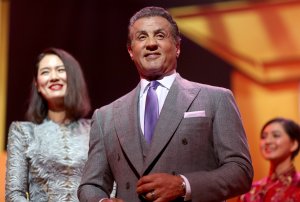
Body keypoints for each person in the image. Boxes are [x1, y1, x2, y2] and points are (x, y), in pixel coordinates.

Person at [78, 6, 253, 202]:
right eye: (142, 37)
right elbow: (91, 184)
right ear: (130, 51)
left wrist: (183, 185)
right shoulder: (105, 116)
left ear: (177, 47)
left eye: (160, 36)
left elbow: (240, 171)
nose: (151, 43)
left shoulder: (216, 99)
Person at [5, 47, 91, 201]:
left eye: (60, 70)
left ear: (73, 77)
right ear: (37, 84)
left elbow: (110, 187)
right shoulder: (22, 132)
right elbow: (14, 195)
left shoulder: (96, 128)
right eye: (45, 72)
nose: (53, 77)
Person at [238, 117, 300, 202]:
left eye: (276, 135)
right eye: (264, 137)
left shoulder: (298, 186)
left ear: (294, 144)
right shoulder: (250, 191)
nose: (267, 141)